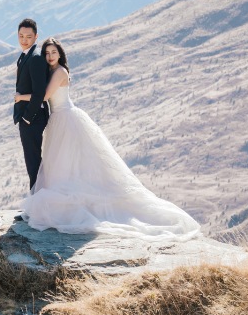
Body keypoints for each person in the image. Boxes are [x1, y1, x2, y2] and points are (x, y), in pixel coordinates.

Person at [15, 38, 200, 239]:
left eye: (53, 52)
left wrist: (20, 97)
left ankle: (80, 202)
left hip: (67, 119)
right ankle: (68, 198)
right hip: (57, 120)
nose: (50, 56)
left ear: (60, 54)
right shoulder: (50, 71)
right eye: (47, 53)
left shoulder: (60, 72)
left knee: (72, 161)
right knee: (62, 164)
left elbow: (43, 96)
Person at [13, 18, 49, 190]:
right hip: (28, 117)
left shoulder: (35, 58)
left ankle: (38, 204)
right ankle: (37, 201)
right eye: (21, 36)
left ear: (36, 37)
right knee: (31, 162)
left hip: (32, 118)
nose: (24, 40)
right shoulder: (26, 55)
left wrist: (27, 118)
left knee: (33, 162)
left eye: (28, 36)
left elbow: (39, 93)